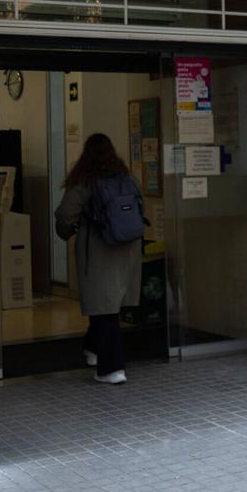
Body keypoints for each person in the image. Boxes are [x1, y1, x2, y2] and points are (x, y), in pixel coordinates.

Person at [55, 133, 143, 385]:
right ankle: (92, 349)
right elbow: (140, 208)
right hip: (128, 249)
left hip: (98, 250)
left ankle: (112, 369)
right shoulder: (128, 178)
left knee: (104, 310)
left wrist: (69, 230)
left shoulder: (85, 181)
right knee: (108, 304)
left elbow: (64, 214)